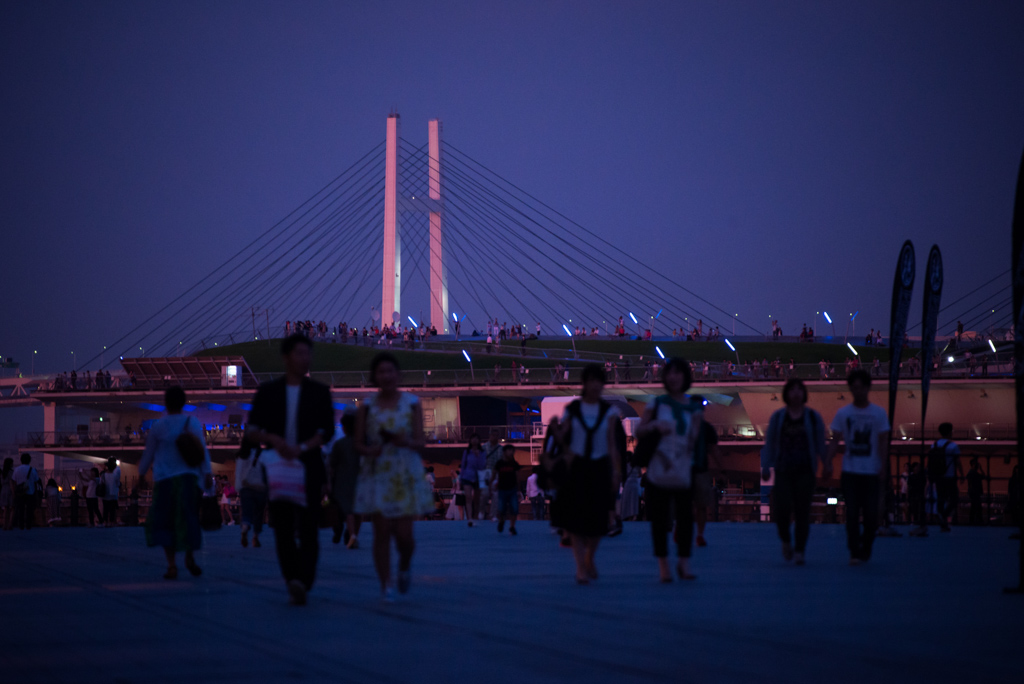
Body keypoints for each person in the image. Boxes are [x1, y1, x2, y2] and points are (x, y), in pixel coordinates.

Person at [246, 334, 335, 606]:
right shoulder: (268, 392)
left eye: (308, 353)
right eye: (299, 353)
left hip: (308, 467)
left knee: (309, 526)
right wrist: (273, 440)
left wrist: (304, 447)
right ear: (286, 357)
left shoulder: (319, 392)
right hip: (278, 469)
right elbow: (250, 430)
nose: (304, 358)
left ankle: (303, 580)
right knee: (282, 527)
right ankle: (292, 579)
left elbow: (328, 431)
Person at [353, 353, 434, 601]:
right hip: (377, 471)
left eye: (390, 371)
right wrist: (370, 450)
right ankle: (385, 583)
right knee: (381, 533)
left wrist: (405, 442)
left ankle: (404, 566)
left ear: (397, 375)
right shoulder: (366, 406)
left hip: (404, 472)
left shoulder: (412, 402)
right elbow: (357, 444)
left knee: (404, 536)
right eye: (381, 371)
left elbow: (421, 441)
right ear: (374, 376)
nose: (386, 376)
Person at [553, 364, 622, 583]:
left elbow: (612, 444)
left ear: (603, 384)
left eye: (598, 380)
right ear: (584, 383)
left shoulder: (609, 412)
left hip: (600, 466)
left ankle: (590, 557)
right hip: (577, 467)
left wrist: (617, 471)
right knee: (575, 521)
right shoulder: (572, 409)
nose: (594, 385)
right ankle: (580, 567)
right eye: (590, 380)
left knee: (598, 521)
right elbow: (565, 438)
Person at [637, 358, 703, 582]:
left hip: (684, 468)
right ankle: (663, 565)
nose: (674, 377)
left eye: (679, 372)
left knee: (686, 519)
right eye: (670, 372)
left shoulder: (694, 408)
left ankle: (684, 563)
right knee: (660, 520)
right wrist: (655, 425)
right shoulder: (655, 404)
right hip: (659, 467)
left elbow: (695, 440)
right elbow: (639, 431)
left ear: (685, 377)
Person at [138, 386, 214, 580]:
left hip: (164, 481)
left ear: (166, 402)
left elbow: (148, 454)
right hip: (189, 479)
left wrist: (141, 473)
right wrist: (207, 473)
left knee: (165, 522)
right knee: (189, 519)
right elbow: (202, 450)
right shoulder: (192, 422)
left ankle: (171, 565)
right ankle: (189, 557)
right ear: (183, 402)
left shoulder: (158, 426)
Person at [761, 378, 827, 564]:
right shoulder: (778, 417)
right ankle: (785, 540)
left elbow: (821, 443)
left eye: (800, 389)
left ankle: (799, 550)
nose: (796, 393)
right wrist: (766, 466)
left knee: (802, 512)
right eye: (792, 389)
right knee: (781, 510)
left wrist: (827, 463)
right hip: (783, 470)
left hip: (805, 470)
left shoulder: (813, 417)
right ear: (786, 394)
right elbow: (770, 444)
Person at [827, 369, 890, 565]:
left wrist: (883, 466)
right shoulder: (843, 413)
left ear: (867, 388)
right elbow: (835, 441)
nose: (858, 391)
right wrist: (828, 462)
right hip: (850, 471)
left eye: (861, 387)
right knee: (852, 513)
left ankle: (867, 544)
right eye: (854, 388)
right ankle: (854, 551)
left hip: (871, 471)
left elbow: (882, 442)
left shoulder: (878, 413)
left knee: (871, 514)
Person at [328, 409, 362, 549]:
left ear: (344, 427)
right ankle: (352, 534)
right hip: (360, 481)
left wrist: (328, 483)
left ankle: (340, 529)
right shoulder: (363, 443)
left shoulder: (339, 444)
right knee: (357, 511)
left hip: (341, 482)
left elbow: (331, 465)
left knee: (342, 510)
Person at [234, 436, 268, 549]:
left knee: (246, 512)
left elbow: (238, 474)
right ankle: (255, 537)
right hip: (260, 488)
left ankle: (244, 528)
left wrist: (239, 487)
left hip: (245, 488)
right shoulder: (261, 454)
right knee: (259, 513)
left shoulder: (241, 456)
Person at [931, 422, 964, 532]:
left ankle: (942, 521)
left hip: (938, 476)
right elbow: (958, 462)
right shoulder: (953, 446)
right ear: (950, 432)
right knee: (954, 499)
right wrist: (962, 474)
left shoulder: (934, 445)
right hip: (950, 476)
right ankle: (944, 516)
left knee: (941, 499)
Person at [491, 444, 521, 534]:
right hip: (502, 489)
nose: (511, 452)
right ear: (504, 452)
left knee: (514, 509)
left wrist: (519, 490)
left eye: (512, 450)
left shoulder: (514, 464)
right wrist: (490, 485)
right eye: (509, 450)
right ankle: (502, 521)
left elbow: (518, 477)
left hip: (512, 489)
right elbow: (493, 475)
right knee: (501, 508)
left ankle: (512, 526)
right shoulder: (499, 463)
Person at [459, 434, 486, 527]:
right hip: (467, 476)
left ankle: (475, 517)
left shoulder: (482, 452)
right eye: (472, 438)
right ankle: (470, 518)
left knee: (477, 499)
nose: (474, 440)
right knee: (468, 498)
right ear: (470, 441)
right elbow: (463, 465)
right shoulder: (466, 452)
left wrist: (478, 457)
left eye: (476, 438)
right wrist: (461, 478)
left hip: (478, 477)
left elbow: (482, 466)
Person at [11, 454, 41, 530]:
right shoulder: (33, 470)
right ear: (29, 460)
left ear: (21, 460)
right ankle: (28, 525)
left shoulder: (17, 469)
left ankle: (21, 525)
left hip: (20, 493)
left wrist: (14, 492)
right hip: (30, 492)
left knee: (20, 510)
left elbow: (14, 481)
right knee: (29, 510)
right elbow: (36, 482)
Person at [480, 429, 504, 521]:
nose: (495, 437)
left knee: (496, 495)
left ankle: (493, 515)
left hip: (497, 474)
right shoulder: (484, 448)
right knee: (484, 494)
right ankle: (482, 511)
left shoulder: (501, 449)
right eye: (493, 435)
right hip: (485, 473)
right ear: (489, 436)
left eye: (496, 435)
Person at [100, 458, 122, 527]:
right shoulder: (115, 475)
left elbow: (101, 483)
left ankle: (105, 522)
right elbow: (118, 484)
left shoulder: (103, 475)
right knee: (112, 510)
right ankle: (112, 522)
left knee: (105, 509)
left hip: (105, 494)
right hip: (113, 494)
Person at [966, 458, 986, 526]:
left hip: (973, 493)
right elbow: (984, 476)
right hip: (975, 493)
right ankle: (978, 521)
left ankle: (972, 521)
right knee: (977, 507)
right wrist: (981, 469)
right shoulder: (973, 473)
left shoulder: (971, 473)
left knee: (974, 507)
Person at [1, 457, 14, 530]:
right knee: (12, 508)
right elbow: (11, 483)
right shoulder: (10, 472)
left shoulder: (3, 473)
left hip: (3, 490)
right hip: (9, 490)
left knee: (5, 509)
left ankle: (4, 524)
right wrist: (13, 492)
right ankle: (9, 524)